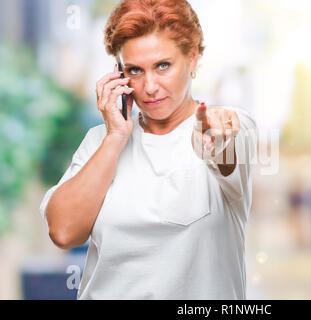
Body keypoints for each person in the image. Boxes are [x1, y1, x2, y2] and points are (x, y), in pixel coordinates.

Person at [39, 0, 257, 300]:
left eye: (163, 66)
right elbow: (63, 232)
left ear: (192, 59)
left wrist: (220, 137)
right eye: (135, 70)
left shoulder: (229, 125)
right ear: (118, 74)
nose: (150, 86)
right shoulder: (100, 141)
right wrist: (116, 137)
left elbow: (227, 152)